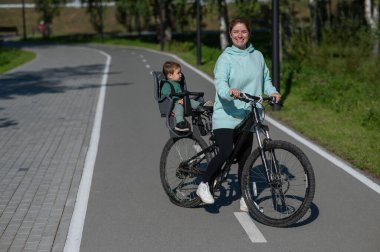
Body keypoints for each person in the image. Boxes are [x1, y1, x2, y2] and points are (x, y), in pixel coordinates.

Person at [196, 17, 281, 211]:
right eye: (236, 32)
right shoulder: (225, 58)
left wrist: (273, 92)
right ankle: (204, 184)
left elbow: (265, 80)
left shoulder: (257, 56)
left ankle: (246, 199)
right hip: (226, 114)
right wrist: (229, 92)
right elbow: (221, 83)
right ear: (230, 34)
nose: (239, 35)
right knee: (226, 151)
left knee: (245, 159)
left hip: (249, 114)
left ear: (249, 33)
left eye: (243, 32)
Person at [161, 61, 212, 132]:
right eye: (178, 73)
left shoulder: (177, 83)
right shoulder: (167, 85)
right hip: (172, 105)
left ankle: (201, 106)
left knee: (190, 101)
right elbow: (165, 96)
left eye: (180, 72)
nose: (181, 74)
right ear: (170, 76)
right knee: (179, 108)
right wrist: (177, 100)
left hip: (182, 101)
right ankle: (180, 124)